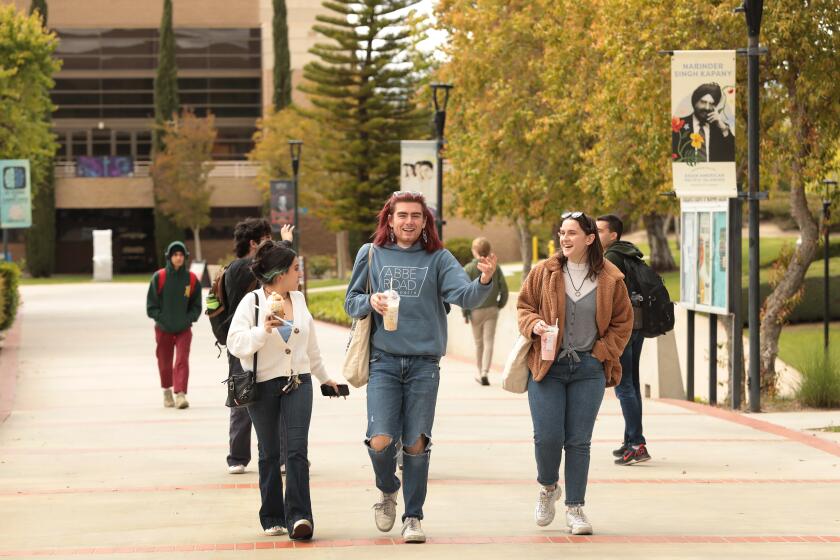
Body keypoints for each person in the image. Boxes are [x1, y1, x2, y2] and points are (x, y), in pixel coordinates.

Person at [344, 191, 498, 544]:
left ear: (425, 221)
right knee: (381, 441)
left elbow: (466, 297)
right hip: (383, 361)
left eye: (416, 216)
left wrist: (485, 280)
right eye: (402, 215)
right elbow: (351, 302)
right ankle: (387, 490)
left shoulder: (439, 258)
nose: (409, 221)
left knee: (415, 443)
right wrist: (371, 300)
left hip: (424, 365)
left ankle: (413, 516)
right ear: (390, 220)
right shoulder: (371, 255)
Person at [517, 211, 632, 535]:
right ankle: (548, 487)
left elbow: (623, 323)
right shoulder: (545, 271)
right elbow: (524, 306)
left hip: (588, 369)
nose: (564, 239)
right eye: (562, 233)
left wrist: (599, 353)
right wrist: (534, 325)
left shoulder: (611, 278)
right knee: (548, 437)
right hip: (548, 366)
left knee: (579, 441)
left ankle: (575, 508)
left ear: (590, 238)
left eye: (572, 233)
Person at [227, 239, 340, 540]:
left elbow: (310, 346)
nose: (298, 273)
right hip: (262, 386)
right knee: (269, 452)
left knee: (296, 451)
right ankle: (273, 516)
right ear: (279, 274)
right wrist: (262, 330)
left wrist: (325, 377)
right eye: (294, 268)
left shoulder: (299, 300)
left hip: (298, 382)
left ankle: (301, 517)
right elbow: (235, 344)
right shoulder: (251, 303)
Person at [224, 218, 281, 475]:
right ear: (253, 243)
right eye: (267, 241)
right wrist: (286, 245)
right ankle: (256, 457)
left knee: (242, 393)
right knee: (252, 396)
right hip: (250, 339)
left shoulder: (230, 268)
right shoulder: (242, 268)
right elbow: (267, 271)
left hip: (243, 340)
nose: (271, 246)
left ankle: (237, 457)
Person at [596, 214, 651, 466]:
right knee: (632, 384)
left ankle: (636, 444)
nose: (595, 235)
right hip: (637, 324)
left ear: (613, 234)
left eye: (599, 231)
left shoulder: (611, 258)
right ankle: (632, 440)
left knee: (624, 385)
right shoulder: (629, 252)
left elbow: (608, 297)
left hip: (624, 328)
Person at [146, 241, 202, 409]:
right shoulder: (159, 277)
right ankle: (167, 392)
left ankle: (180, 394)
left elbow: (196, 305)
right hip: (163, 329)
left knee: (182, 360)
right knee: (164, 361)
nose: (178, 258)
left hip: (184, 328)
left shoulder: (191, 279)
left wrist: (189, 319)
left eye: (181, 255)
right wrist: (161, 318)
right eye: (175, 255)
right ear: (169, 257)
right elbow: (151, 306)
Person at [462, 237, 509, 385]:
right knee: (489, 342)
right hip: (492, 309)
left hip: (475, 310)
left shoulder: (468, 268)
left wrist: (465, 312)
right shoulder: (495, 267)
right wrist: (499, 304)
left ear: (474, 251)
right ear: (488, 250)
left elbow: (464, 292)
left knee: (478, 343)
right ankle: (485, 372)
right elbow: (505, 289)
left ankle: (479, 370)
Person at [671, 82, 735, 162]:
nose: (707, 108)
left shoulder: (721, 128)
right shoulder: (679, 125)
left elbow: (733, 155)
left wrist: (724, 129)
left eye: (711, 104)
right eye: (703, 102)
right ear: (695, 102)